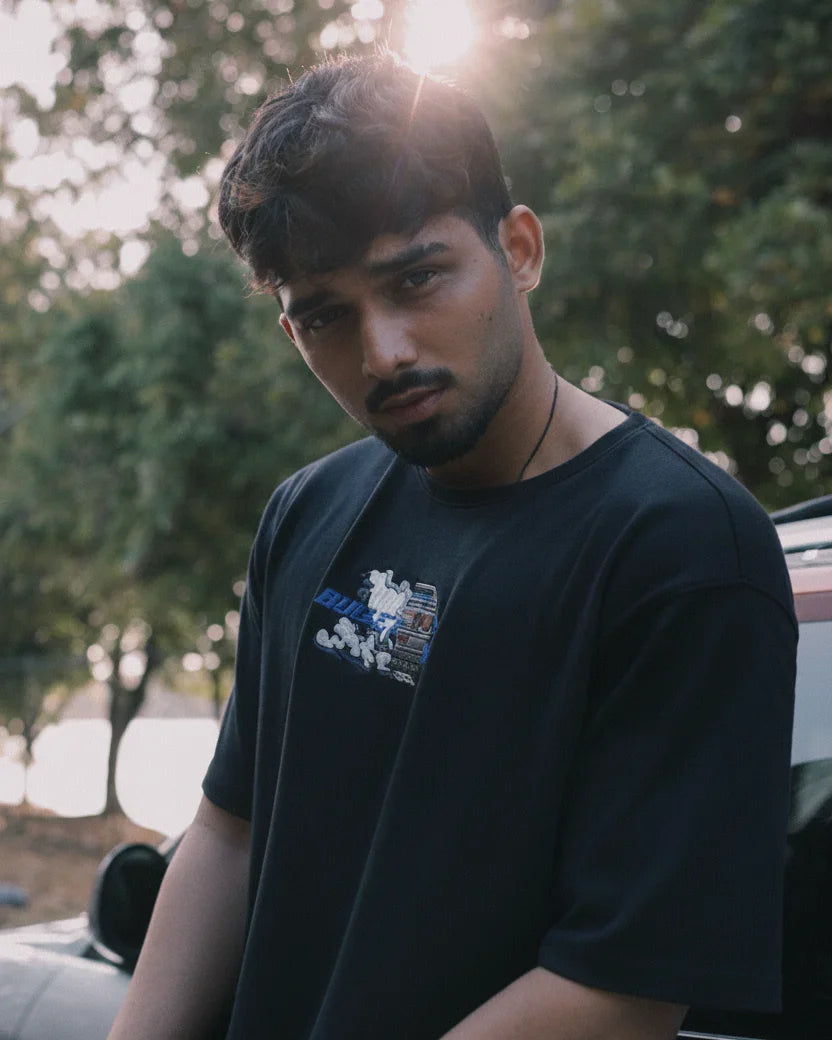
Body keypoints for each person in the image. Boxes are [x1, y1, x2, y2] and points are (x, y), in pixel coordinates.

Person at [108, 53, 797, 1040]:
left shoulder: (684, 549)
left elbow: (619, 986)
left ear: (517, 249)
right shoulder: (306, 511)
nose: (381, 349)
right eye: (324, 315)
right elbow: (229, 833)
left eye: (416, 276)